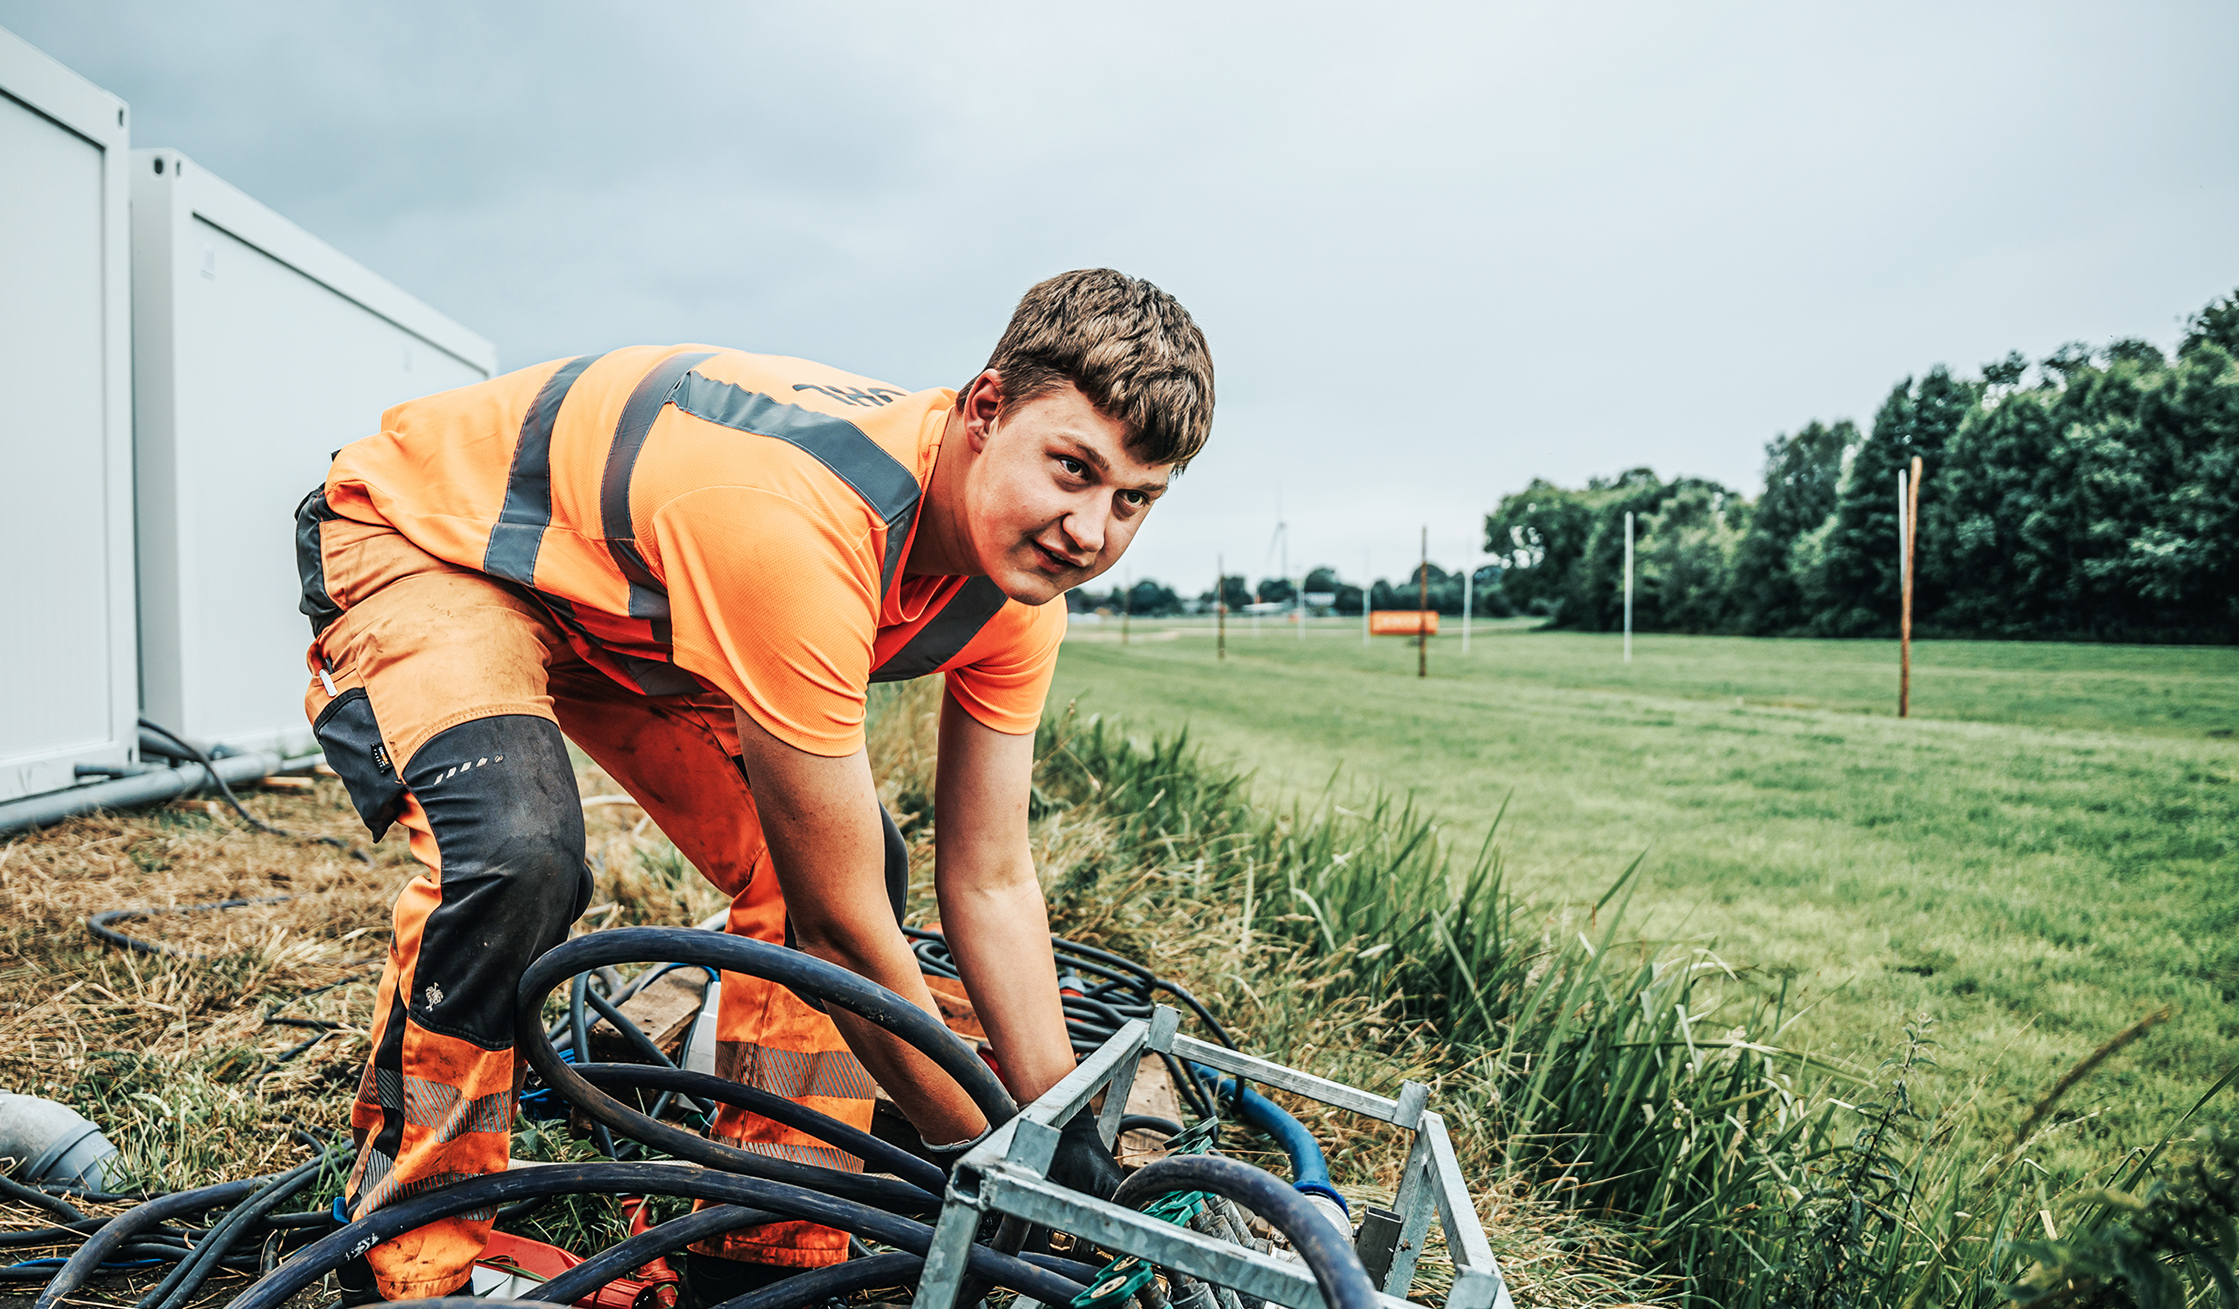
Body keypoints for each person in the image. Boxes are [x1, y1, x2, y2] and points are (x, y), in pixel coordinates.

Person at [291, 269, 1214, 1303]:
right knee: (516, 852)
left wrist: (1057, 1123)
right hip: (438, 542)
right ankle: (413, 1255)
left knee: (827, 857)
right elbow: (840, 932)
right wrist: (994, 1153)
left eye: (1133, 499)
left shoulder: (1019, 598)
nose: (1091, 531)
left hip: (621, 615)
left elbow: (992, 880)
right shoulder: (806, 524)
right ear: (986, 409)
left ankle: (769, 1229)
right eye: (1071, 470)